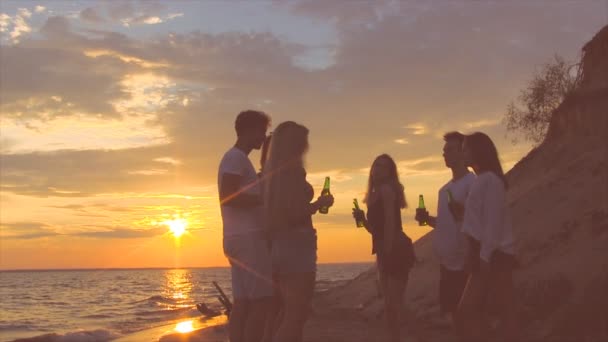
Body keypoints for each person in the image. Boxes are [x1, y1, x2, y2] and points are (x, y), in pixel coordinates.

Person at [263, 121, 334, 342]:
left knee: (280, 314)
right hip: (297, 245)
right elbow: (294, 214)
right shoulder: (292, 171)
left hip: (279, 245)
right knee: (297, 315)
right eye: (303, 140)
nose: (307, 145)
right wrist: (319, 203)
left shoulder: (272, 174)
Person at [455, 132, 518, 342]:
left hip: (494, 253)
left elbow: (493, 222)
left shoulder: (490, 180)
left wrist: (484, 256)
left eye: (465, 148)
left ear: (478, 151)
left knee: (471, 310)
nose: (462, 153)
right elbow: (482, 220)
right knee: (492, 310)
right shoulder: (482, 180)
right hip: (485, 252)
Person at [218, 110, 273, 342]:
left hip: (236, 237)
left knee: (243, 303)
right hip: (247, 238)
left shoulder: (237, 159)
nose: (263, 137)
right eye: (262, 131)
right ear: (249, 130)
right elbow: (228, 196)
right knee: (261, 302)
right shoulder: (236, 158)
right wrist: (265, 198)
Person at [353, 154, 416, 342]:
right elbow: (375, 230)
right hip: (384, 249)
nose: (377, 170)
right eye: (376, 166)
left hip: (395, 248)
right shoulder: (374, 195)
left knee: (395, 304)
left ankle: (418, 336)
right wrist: (363, 220)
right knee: (390, 305)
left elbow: (390, 224)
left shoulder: (387, 190)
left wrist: (387, 254)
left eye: (383, 167)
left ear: (390, 173)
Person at [415, 132, 475, 323]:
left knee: (470, 317)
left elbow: (478, 221)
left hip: (467, 261)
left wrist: (463, 214)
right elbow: (444, 225)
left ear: (463, 152)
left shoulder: (473, 183)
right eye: (444, 150)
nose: (445, 154)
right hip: (447, 264)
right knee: (453, 317)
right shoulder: (444, 190)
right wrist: (427, 220)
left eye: (450, 149)